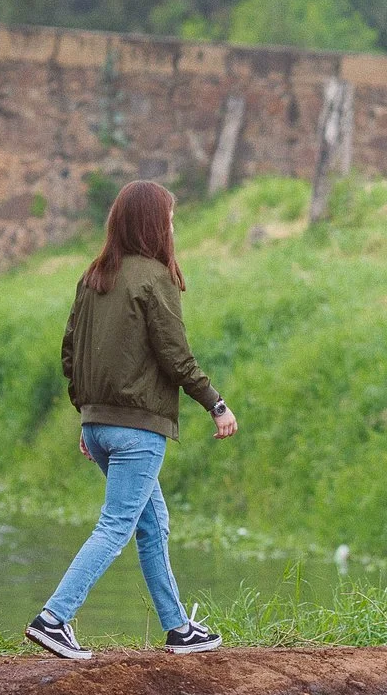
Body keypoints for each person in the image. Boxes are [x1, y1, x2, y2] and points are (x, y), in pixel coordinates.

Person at [25, 180, 236, 661]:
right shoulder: (153, 278)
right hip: (137, 428)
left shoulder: (94, 275)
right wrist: (215, 404)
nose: (173, 227)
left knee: (151, 523)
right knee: (117, 525)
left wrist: (87, 415)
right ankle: (54, 618)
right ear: (153, 224)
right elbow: (175, 355)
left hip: (99, 426)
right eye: (170, 218)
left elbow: (69, 352)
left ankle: (179, 628)